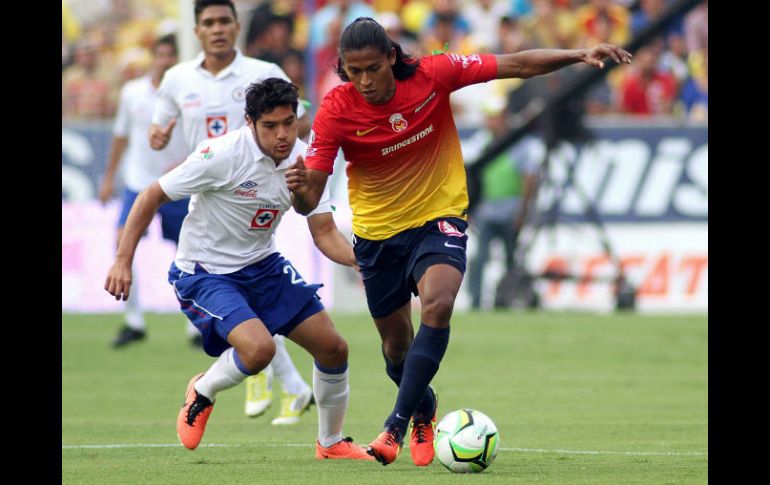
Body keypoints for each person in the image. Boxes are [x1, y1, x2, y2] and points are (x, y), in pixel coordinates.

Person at [288, 17, 632, 466]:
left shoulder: (435, 73)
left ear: (392, 56)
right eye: (355, 72)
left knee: (439, 303)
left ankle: (394, 426)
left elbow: (518, 66)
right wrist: (298, 189)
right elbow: (309, 198)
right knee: (396, 350)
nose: (366, 81)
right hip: (377, 236)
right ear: (345, 70)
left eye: (373, 68)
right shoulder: (336, 109)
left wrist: (579, 55)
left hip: (438, 218)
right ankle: (424, 411)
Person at [105, 78, 373, 460]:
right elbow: (152, 194)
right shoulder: (221, 155)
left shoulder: (308, 159)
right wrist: (121, 259)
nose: (282, 134)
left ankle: (330, 444)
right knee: (260, 349)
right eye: (270, 126)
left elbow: (325, 231)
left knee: (333, 348)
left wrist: (358, 260)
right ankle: (202, 390)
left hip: (263, 265)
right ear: (250, 122)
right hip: (204, 271)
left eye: (288, 122)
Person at [149, 0, 313, 425]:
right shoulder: (176, 78)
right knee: (240, 307)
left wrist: (299, 167)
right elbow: (161, 124)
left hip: (258, 190)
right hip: (206, 186)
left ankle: (282, 383)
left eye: (225, 21)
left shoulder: (265, 75)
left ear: (237, 27)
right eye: (209, 22)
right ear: (197, 30)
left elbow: (298, 123)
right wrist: (159, 131)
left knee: (255, 289)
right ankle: (275, 380)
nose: (218, 29)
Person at [99, 34, 202, 349]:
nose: (166, 60)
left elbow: (201, 135)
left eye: (171, 55)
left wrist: (186, 164)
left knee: (187, 252)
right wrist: (109, 176)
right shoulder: (133, 93)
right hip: (138, 182)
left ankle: (194, 325)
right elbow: (120, 136)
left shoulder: (189, 93)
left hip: (177, 185)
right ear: (153, 57)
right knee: (122, 243)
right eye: (161, 54)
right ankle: (133, 321)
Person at [463, 97, 542, 310]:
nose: (491, 122)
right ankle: (476, 301)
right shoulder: (480, 142)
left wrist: (523, 212)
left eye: (495, 117)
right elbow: (468, 175)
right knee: (480, 259)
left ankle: (508, 299)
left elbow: (529, 180)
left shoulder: (521, 144)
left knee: (511, 260)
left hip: (512, 211)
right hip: (487, 212)